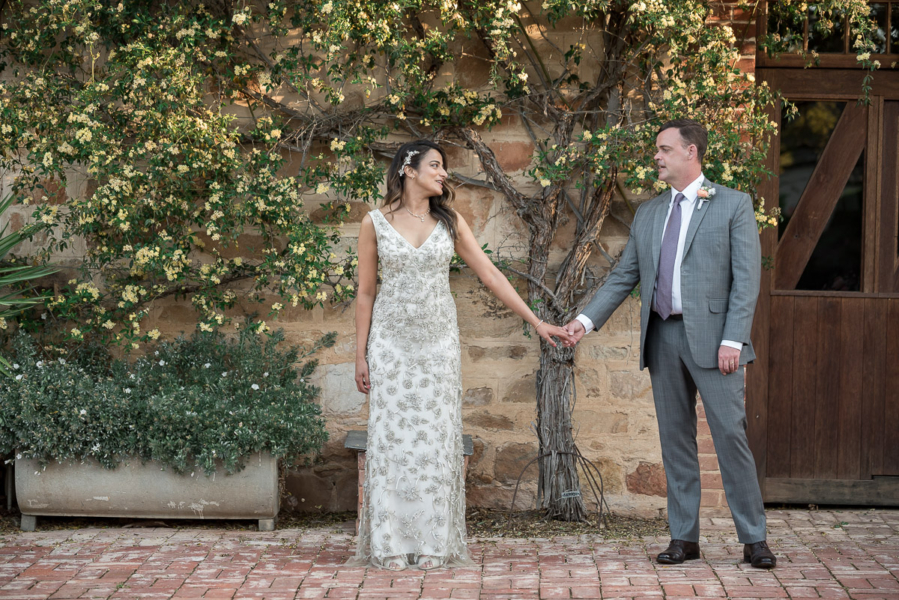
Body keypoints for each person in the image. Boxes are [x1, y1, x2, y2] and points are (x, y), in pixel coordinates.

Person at [562, 119, 777, 569]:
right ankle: (684, 538)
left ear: (691, 152)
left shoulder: (733, 205)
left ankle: (754, 538)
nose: (656, 156)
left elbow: (746, 280)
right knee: (674, 441)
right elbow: (625, 276)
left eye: (663, 148)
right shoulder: (650, 212)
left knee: (730, 438)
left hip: (718, 342)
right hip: (662, 337)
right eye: (656, 149)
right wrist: (584, 321)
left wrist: (733, 339)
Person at [350, 140, 572, 571]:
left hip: (437, 347)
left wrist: (538, 321)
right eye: (435, 165)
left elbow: (490, 274)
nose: (443, 173)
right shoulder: (373, 223)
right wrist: (360, 356)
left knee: (434, 441)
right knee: (393, 443)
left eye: (444, 167)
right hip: (391, 347)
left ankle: (434, 543)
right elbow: (365, 293)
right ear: (407, 170)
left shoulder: (449, 222)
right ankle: (390, 544)